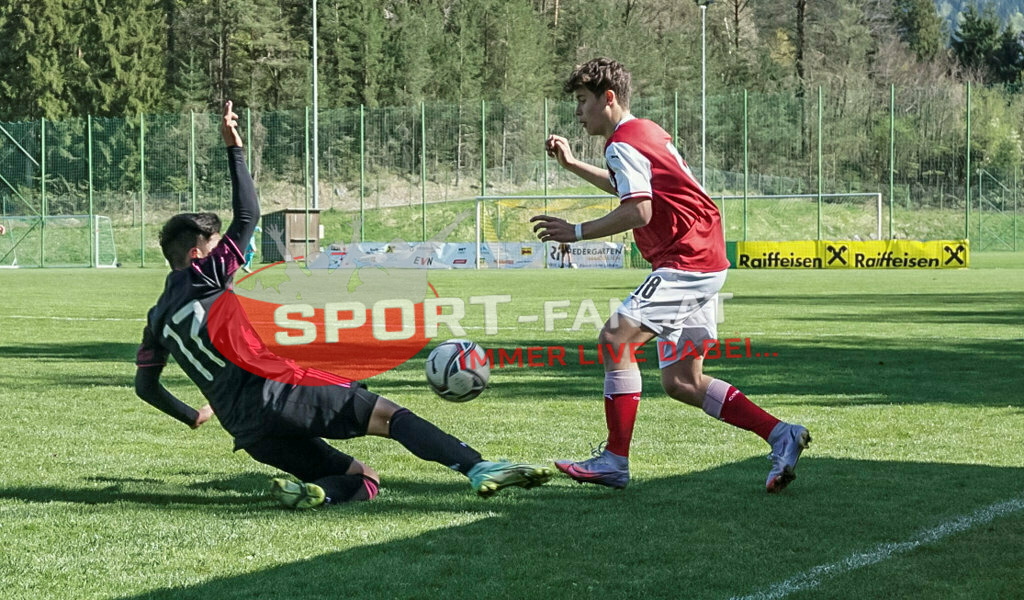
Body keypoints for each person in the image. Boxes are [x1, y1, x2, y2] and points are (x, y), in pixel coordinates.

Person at [135, 101, 551, 509]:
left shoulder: (157, 318)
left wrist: (191, 416)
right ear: (195, 255)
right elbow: (249, 215)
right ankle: (478, 467)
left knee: (364, 478)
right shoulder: (204, 273)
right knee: (389, 416)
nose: (226, 254)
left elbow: (145, 385)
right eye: (213, 247)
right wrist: (234, 148)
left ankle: (321, 492)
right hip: (282, 392)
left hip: (247, 430)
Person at [531, 58, 810, 493]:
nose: (577, 113)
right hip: (705, 256)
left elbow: (638, 208)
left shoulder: (621, 144)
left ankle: (614, 461)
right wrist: (572, 166)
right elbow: (632, 188)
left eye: (582, 102)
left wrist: (576, 232)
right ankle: (781, 434)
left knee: (615, 339)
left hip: (686, 260)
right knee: (682, 381)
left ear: (609, 98)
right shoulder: (645, 132)